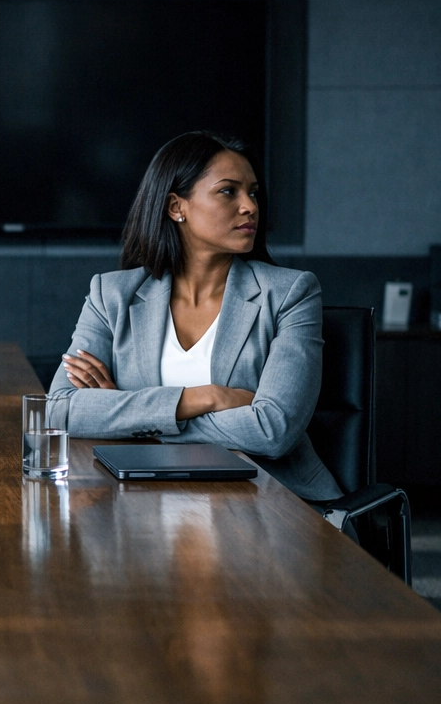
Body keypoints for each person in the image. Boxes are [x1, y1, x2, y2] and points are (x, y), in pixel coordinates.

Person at [48, 130, 339, 501]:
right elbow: (58, 412)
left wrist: (131, 413)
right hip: (144, 502)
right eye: (228, 191)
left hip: (269, 504)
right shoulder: (112, 295)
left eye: (253, 192)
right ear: (176, 207)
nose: (249, 206)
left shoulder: (290, 294)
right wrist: (208, 397)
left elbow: (273, 430)